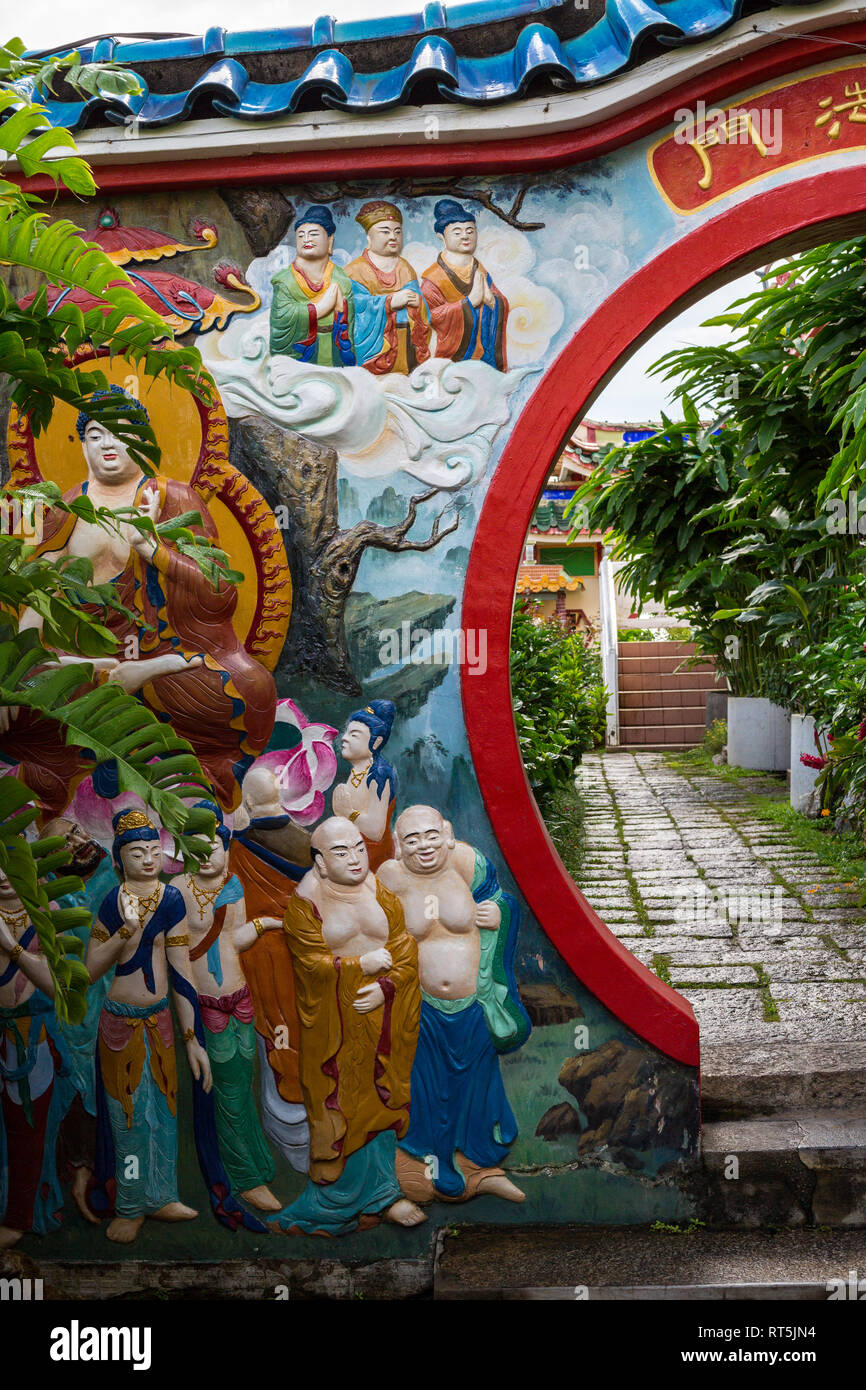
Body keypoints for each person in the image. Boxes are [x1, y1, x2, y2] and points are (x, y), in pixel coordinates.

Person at [2, 386, 276, 813]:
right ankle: (98, 714)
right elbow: (38, 596)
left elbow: (220, 596)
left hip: (170, 662)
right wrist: (15, 677)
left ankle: (136, 718)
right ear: (82, 443)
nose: (109, 444)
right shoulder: (68, 508)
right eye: (96, 434)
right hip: (84, 664)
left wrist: (154, 551)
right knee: (17, 702)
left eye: (122, 432)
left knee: (252, 687)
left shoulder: (175, 499)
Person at [273, 817, 424, 1236]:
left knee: (381, 1098)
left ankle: (384, 1194)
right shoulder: (306, 905)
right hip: (332, 1029)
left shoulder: (381, 894)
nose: (355, 857)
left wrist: (385, 988)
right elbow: (309, 964)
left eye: (358, 847)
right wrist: (358, 966)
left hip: (381, 1020)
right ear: (320, 862)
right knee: (338, 1106)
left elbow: (405, 952)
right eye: (341, 852)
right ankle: (333, 1201)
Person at [379, 805, 530, 1204]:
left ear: (447, 834)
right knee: (428, 1086)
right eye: (412, 839)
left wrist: (500, 913)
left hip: (471, 1002)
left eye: (431, 835)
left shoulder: (468, 864)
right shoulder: (391, 878)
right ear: (398, 845)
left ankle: (480, 1165)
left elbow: (503, 902)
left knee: (477, 1083)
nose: (424, 846)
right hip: (422, 1004)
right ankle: (437, 1161)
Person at [86, 808, 213, 1243]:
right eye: (137, 852)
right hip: (120, 1023)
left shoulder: (171, 899)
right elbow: (88, 970)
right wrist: (126, 931)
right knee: (129, 1120)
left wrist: (192, 1038)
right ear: (119, 859)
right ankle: (130, 1202)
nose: (147, 859)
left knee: (163, 1112)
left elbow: (181, 970)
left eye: (154, 850)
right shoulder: (111, 900)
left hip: (158, 1020)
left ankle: (161, 1196)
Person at [170, 801, 283, 1213]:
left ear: (226, 847)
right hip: (205, 1005)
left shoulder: (234, 885)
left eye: (213, 846)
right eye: (195, 848)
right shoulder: (178, 892)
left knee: (243, 1086)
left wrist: (268, 925)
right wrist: (187, 1032)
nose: (206, 856)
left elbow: (234, 939)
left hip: (241, 1000)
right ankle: (245, 1179)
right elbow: (179, 961)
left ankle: (257, 1162)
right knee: (226, 1095)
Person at [229, 764, 312, 1174]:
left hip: (261, 962)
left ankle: (294, 1139)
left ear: (246, 803)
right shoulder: (312, 846)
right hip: (308, 959)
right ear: (283, 797)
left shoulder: (236, 850)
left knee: (276, 1042)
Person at [42, 816, 118, 1225]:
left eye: (75, 832)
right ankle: (78, 1178)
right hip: (75, 1017)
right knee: (77, 1097)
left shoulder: (116, 873)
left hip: (122, 1010)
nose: (76, 842)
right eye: (63, 843)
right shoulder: (52, 900)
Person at [0, 869, 78, 1249]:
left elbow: (53, 984)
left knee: (28, 1132)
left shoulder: (47, 912)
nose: (1, 875)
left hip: (34, 1037)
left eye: (8, 861)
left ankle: (19, 1216)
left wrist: (11, 947)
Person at [421, 199, 509, 370]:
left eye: (470, 231)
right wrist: (468, 304)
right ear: (442, 237)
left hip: (485, 356)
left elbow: (500, 302)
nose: (465, 236)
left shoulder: (479, 269)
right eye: (457, 232)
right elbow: (430, 316)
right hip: (455, 355)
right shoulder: (433, 278)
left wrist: (493, 301)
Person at [345, 201, 431, 374]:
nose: (393, 237)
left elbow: (419, 300)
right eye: (385, 231)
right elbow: (355, 306)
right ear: (369, 238)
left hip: (405, 339)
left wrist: (417, 301)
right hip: (377, 347)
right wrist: (390, 302)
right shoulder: (355, 270)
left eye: (397, 232)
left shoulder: (404, 267)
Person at [269, 206, 355, 366]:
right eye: (301, 235)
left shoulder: (341, 278)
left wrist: (340, 311)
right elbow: (280, 323)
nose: (306, 239)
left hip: (333, 352)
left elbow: (350, 327)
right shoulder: (285, 281)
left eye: (313, 234)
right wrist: (318, 309)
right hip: (303, 358)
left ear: (330, 240)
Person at [331, 700, 398, 872]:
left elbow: (376, 831)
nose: (344, 738)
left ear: (376, 742)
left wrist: (348, 813)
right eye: (347, 732)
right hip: (351, 849)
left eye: (354, 735)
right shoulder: (357, 771)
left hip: (373, 856)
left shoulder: (379, 774)